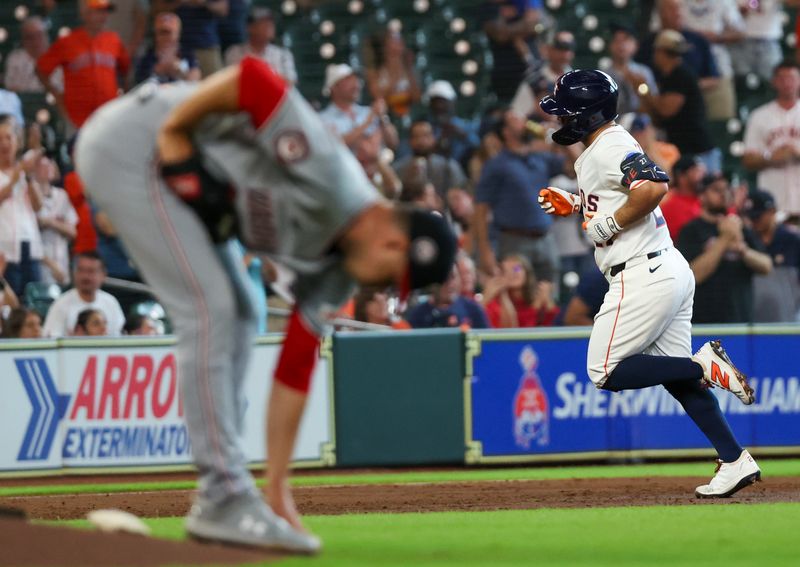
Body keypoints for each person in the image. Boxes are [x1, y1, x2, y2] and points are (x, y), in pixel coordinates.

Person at [74, 57, 457, 553]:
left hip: (174, 177)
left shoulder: (339, 268)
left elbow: (295, 367)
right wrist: (174, 130)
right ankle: (225, 494)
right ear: (392, 245)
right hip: (134, 145)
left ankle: (236, 495)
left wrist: (279, 489)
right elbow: (254, 77)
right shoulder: (334, 181)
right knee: (211, 308)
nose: (383, 289)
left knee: (245, 308)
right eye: (393, 278)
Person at [538, 69, 762, 497]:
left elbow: (655, 186)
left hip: (642, 273)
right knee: (678, 380)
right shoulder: (603, 146)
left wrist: (607, 223)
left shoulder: (611, 144)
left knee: (604, 370)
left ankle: (703, 364)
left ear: (586, 115)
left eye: (566, 113)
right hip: (667, 268)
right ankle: (734, 459)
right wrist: (578, 204)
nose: (560, 120)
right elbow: (621, 195)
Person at [474, 108, 575, 284]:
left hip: (546, 239)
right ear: (506, 132)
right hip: (514, 243)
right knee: (518, 294)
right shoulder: (496, 165)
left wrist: (564, 135)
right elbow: (481, 210)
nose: (524, 121)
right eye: (516, 118)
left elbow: (576, 169)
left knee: (550, 298)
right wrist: (485, 251)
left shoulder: (540, 159)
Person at [676, 174, 773, 323]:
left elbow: (766, 266)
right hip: (704, 323)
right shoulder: (691, 230)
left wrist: (743, 250)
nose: (724, 194)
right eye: (716, 190)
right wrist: (724, 240)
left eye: (726, 189)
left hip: (741, 320)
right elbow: (693, 276)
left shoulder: (739, 226)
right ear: (701, 196)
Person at [36, 0, 130, 130]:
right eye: (98, 11)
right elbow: (41, 69)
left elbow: (126, 70)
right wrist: (58, 96)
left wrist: (123, 98)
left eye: (105, 12)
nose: (104, 16)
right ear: (85, 13)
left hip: (109, 116)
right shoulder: (67, 42)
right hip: (77, 118)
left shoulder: (113, 40)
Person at [643, 30, 721, 174]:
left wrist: (644, 91)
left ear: (661, 53)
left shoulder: (680, 75)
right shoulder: (669, 76)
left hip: (698, 151)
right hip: (687, 149)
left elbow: (666, 110)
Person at [742, 61, 800, 221]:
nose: (787, 83)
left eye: (792, 78)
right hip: (774, 201)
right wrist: (771, 156)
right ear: (774, 82)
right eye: (782, 78)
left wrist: (796, 152)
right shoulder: (759, 116)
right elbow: (748, 160)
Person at [0, 116, 45, 297]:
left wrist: (28, 177)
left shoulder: (25, 173)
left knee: (33, 299)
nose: (4, 143)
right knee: (10, 303)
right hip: (4, 248)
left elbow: (38, 206)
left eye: (9, 138)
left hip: (29, 244)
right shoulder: (16, 173)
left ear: (17, 142)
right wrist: (15, 178)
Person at [745, 188, 800, 322]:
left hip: (788, 317)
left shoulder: (791, 240)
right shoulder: (747, 239)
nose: (755, 221)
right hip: (753, 318)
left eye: (758, 216)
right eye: (752, 217)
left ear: (772, 211)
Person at [42, 251, 126, 337]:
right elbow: (51, 339)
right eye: (81, 270)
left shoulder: (111, 303)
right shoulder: (61, 304)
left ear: (103, 275)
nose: (85, 276)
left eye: (91, 271)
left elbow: (119, 337)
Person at [319, 63, 399, 151]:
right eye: (348, 80)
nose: (356, 84)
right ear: (333, 88)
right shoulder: (323, 119)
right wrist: (368, 121)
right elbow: (335, 147)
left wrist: (383, 117)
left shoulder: (368, 111)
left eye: (356, 79)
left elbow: (393, 143)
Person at [393, 120, 469, 208]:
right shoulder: (398, 168)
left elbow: (461, 197)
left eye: (426, 136)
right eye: (416, 136)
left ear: (433, 139)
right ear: (410, 141)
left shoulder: (448, 167)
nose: (421, 141)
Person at [152, 0, 229, 78]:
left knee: (214, 86)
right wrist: (179, 2)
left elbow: (223, 9)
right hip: (176, 49)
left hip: (206, 46)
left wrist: (203, 2)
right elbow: (157, 9)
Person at [481, 253, 559, 327]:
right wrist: (536, 306)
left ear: (527, 273)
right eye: (506, 270)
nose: (512, 273)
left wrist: (548, 301)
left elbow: (555, 324)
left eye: (516, 269)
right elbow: (516, 328)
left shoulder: (537, 296)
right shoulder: (497, 301)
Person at [224, 7, 297, 85]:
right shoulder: (235, 52)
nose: (269, 25)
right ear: (250, 28)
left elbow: (290, 81)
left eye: (271, 22)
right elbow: (234, 83)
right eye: (263, 22)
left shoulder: (283, 54)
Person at [35, 155, 78, 285]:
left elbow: (72, 231)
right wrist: (52, 265)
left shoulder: (61, 195)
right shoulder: (27, 196)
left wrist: (50, 222)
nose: (48, 168)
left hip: (62, 262)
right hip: (40, 266)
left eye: (50, 164)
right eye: (42, 165)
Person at [404, 266, 490, 329]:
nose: (450, 284)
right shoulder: (418, 315)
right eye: (444, 278)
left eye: (453, 277)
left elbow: (487, 344)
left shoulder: (473, 310)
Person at [604, 22, 659, 116]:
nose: (621, 45)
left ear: (635, 45)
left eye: (626, 39)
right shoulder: (604, 76)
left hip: (641, 124)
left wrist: (641, 87)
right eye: (616, 40)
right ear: (610, 46)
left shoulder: (644, 72)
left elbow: (654, 106)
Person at [365, 28, 421, 118]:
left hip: (408, 114)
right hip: (384, 115)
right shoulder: (374, 71)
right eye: (393, 41)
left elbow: (417, 97)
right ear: (384, 46)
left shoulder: (409, 68)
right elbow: (377, 96)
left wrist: (408, 68)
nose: (398, 45)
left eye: (399, 41)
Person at [134, 12, 201, 85]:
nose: (164, 37)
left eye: (168, 32)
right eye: (161, 32)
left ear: (177, 34)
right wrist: (157, 70)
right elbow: (138, 80)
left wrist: (181, 70)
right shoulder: (147, 54)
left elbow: (196, 77)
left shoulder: (186, 52)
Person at [424, 81, 480, 166]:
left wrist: (461, 134)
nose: (439, 106)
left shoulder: (466, 125)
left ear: (452, 102)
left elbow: (478, 146)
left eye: (443, 101)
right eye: (435, 102)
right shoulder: (426, 128)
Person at [4, 16, 63, 94]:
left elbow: (62, 89)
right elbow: (11, 89)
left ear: (46, 36)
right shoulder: (15, 59)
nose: (36, 41)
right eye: (30, 37)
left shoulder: (60, 57)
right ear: (23, 40)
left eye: (39, 35)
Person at [658, 155, 706, 241]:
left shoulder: (706, 199)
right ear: (681, 175)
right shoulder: (670, 204)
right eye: (696, 170)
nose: (702, 175)